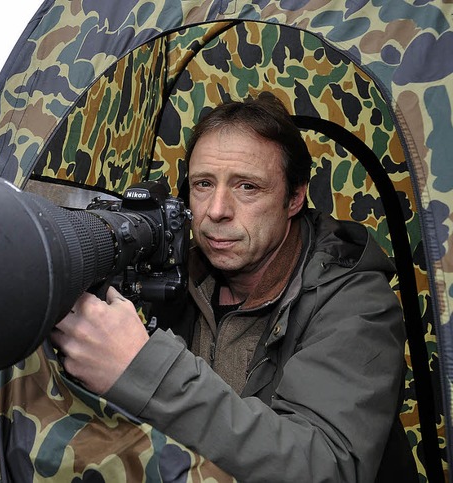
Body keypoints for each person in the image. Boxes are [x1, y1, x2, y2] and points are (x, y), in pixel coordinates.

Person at [50, 93, 418, 482]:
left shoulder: (356, 302)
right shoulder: (175, 277)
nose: (216, 210)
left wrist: (143, 370)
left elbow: (323, 466)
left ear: (294, 198)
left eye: (247, 187)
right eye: (203, 184)